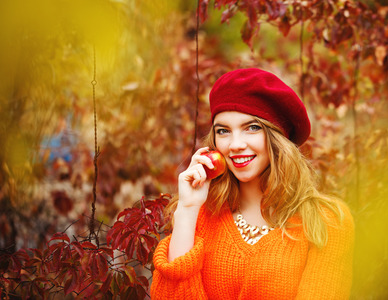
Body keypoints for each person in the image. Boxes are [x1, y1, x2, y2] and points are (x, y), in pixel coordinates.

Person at [150, 68, 354, 299]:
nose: (235, 144)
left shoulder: (326, 221)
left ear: (278, 138)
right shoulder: (202, 215)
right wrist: (187, 210)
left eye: (252, 127)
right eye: (223, 131)